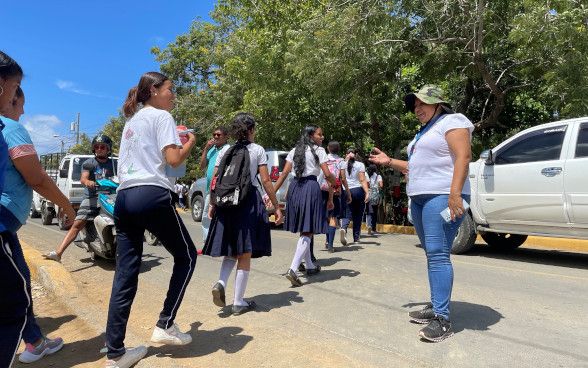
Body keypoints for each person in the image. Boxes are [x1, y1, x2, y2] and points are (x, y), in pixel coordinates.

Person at [104, 71, 197, 368]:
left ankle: (115, 353)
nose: (173, 95)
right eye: (170, 89)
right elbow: (173, 161)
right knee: (187, 257)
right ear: (154, 90)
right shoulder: (161, 117)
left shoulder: (132, 122)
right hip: (151, 194)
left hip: (124, 198)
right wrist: (190, 143)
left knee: (125, 274)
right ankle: (165, 324)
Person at [370, 85, 473, 342]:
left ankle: (443, 319)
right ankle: (436, 305)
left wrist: (455, 194)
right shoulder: (423, 133)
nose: (417, 109)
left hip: (442, 195)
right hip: (420, 198)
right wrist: (389, 161)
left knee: (438, 255)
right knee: (432, 254)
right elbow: (415, 166)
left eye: (422, 104)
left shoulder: (452, 121)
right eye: (415, 106)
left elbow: (464, 156)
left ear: (438, 103)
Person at [1, 86, 76, 364]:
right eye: (20, 102)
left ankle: (35, 340)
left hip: (6, 227)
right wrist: (66, 206)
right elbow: (38, 178)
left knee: (18, 280)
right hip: (2, 222)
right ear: (10, 97)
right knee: (15, 297)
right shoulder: (10, 128)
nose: (22, 110)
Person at [203, 113, 282, 315]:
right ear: (251, 130)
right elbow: (265, 181)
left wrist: (214, 202)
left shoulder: (226, 150)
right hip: (248, 202)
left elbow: (215, 178)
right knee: (244, 251)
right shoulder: (257, 150)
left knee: (231, 248)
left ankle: (221, 282)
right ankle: (238, 302)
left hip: (225, 203)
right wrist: (276, 206)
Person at [274, 125, 334, 287]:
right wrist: (335, 183)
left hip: (295, 188)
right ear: (311, 135)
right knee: (308, 230)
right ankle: (293, 269)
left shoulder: (295, 150)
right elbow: (327, 174)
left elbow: (284, 173)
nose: (322, 137)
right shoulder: (319, 151)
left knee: (305, 228)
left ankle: (310, 266)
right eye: (319, 134)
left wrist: (271, 192)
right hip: (310, 188)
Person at [44, 135, 115, 262]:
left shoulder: (114, 164)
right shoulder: (89, 163)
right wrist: (88, 182)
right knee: (77, 224)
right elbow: (84, 178)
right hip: (93, 197)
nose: (99, 149)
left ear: (108, 149)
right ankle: (58, 253)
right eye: (97, 147)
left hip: (111, 197)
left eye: (103, 147)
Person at [318, 141, 352, 252]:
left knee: (326, 217)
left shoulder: (323, 159)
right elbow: (342, 178)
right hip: (335, 190)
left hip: (322, 189)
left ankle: (327, 241)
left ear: (328, 148)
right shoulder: (341, 161)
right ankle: (331, 246)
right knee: (333, 218)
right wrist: (347, 191)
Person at [199, 126, 229, 241]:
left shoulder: (227, 149)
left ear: (226, 137)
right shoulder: (212, 150)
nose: (215, 136)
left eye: (219, 135)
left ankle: (218, 241)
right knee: (206, 215)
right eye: (214, 134)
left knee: (218, 215)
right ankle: (208, 241)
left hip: (221, 189)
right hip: (209, 189)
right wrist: (206, 149)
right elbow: (202, 167)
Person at [339, 148, 369, 245]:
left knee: (347, 212)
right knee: (358, 215)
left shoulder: (342, 164)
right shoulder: (360, 165)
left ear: (346, 154)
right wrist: (367, 192)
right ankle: (356, 238)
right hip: (358, 191)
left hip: (345, 190)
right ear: (356, 155)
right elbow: (362, 180)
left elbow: (340, 178)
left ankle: (343, 228)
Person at [366, 164, 383, 235]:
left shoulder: (366, 175)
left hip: (368, 195)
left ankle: (369, 226)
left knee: (368, 211)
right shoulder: (378, 176)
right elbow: (381, 185)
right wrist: (377, 187)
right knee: (375, 212)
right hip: (376, 196)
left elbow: (366, 184)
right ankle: (374, 228)